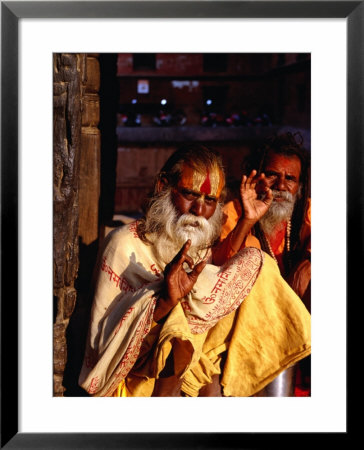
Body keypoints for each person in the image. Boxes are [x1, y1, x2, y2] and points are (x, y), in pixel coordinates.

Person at [79, 143, 311, 397]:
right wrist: (166, 302)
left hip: (194, 375)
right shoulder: (124, 243)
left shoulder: (197, 243)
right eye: (190, 194)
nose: (199, 211)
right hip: (137, 378)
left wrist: (247, 220)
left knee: (257, 262)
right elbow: (107, 343)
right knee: (177, 323)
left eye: (210, 200)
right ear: (163, 186)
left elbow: (218, 271)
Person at [213, 132, 311, 394]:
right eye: (272, 174)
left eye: (290, 178)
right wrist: (248, 219)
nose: (281, 185)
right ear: (254, 176)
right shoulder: (232, 214)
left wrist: (309, 263)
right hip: (250, 326)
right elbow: (222, 267)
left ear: (299, 186)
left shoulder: (305, 212)